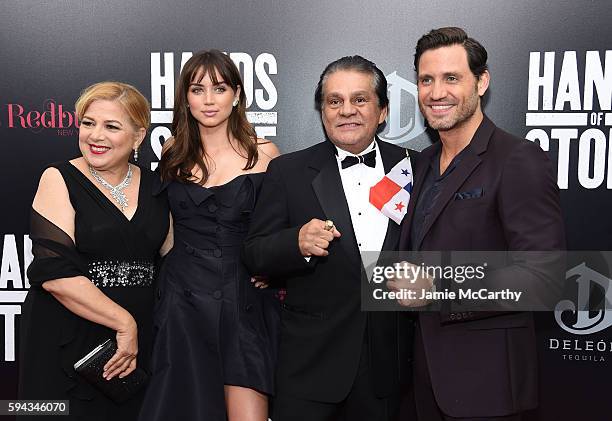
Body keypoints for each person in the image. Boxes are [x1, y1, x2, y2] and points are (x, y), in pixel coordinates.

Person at [394, 27, 565, 420]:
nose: (437, 93)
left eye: (451, 78)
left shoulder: (517, 159)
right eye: (426, 79)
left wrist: (437, 287)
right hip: (422, 384)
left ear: (481, 82)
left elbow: (545, 279)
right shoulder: (420, 164)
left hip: (488, 389)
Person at [243, 55, 418, 421]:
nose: (346, 111)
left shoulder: (417, 167)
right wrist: (296, 243)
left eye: (359, 99)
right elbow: (255, 254)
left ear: (383, 110)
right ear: (322, 111)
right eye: (334, 101)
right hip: (310, 366)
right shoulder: (287, 171)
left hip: (386, 366)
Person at [139, 50, 280, 421]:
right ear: (185, 97)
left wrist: (274, 271)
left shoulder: (265, 155)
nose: (208, 99)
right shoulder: (173, 154)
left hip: (243, 301)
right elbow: (166, 233)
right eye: (197, 89)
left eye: (219, 88)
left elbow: (278, 234)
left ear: (236, 95)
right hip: (182, 302)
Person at [19, 81, 171, 420]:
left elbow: (175, 258)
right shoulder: (58, 178)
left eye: (111, 126)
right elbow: (56, 274)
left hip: (135, 347)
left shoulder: (157, 186)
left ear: (138, 136)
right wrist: (123, 323)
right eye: (88, 123)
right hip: (67, 338)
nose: (95, 135)